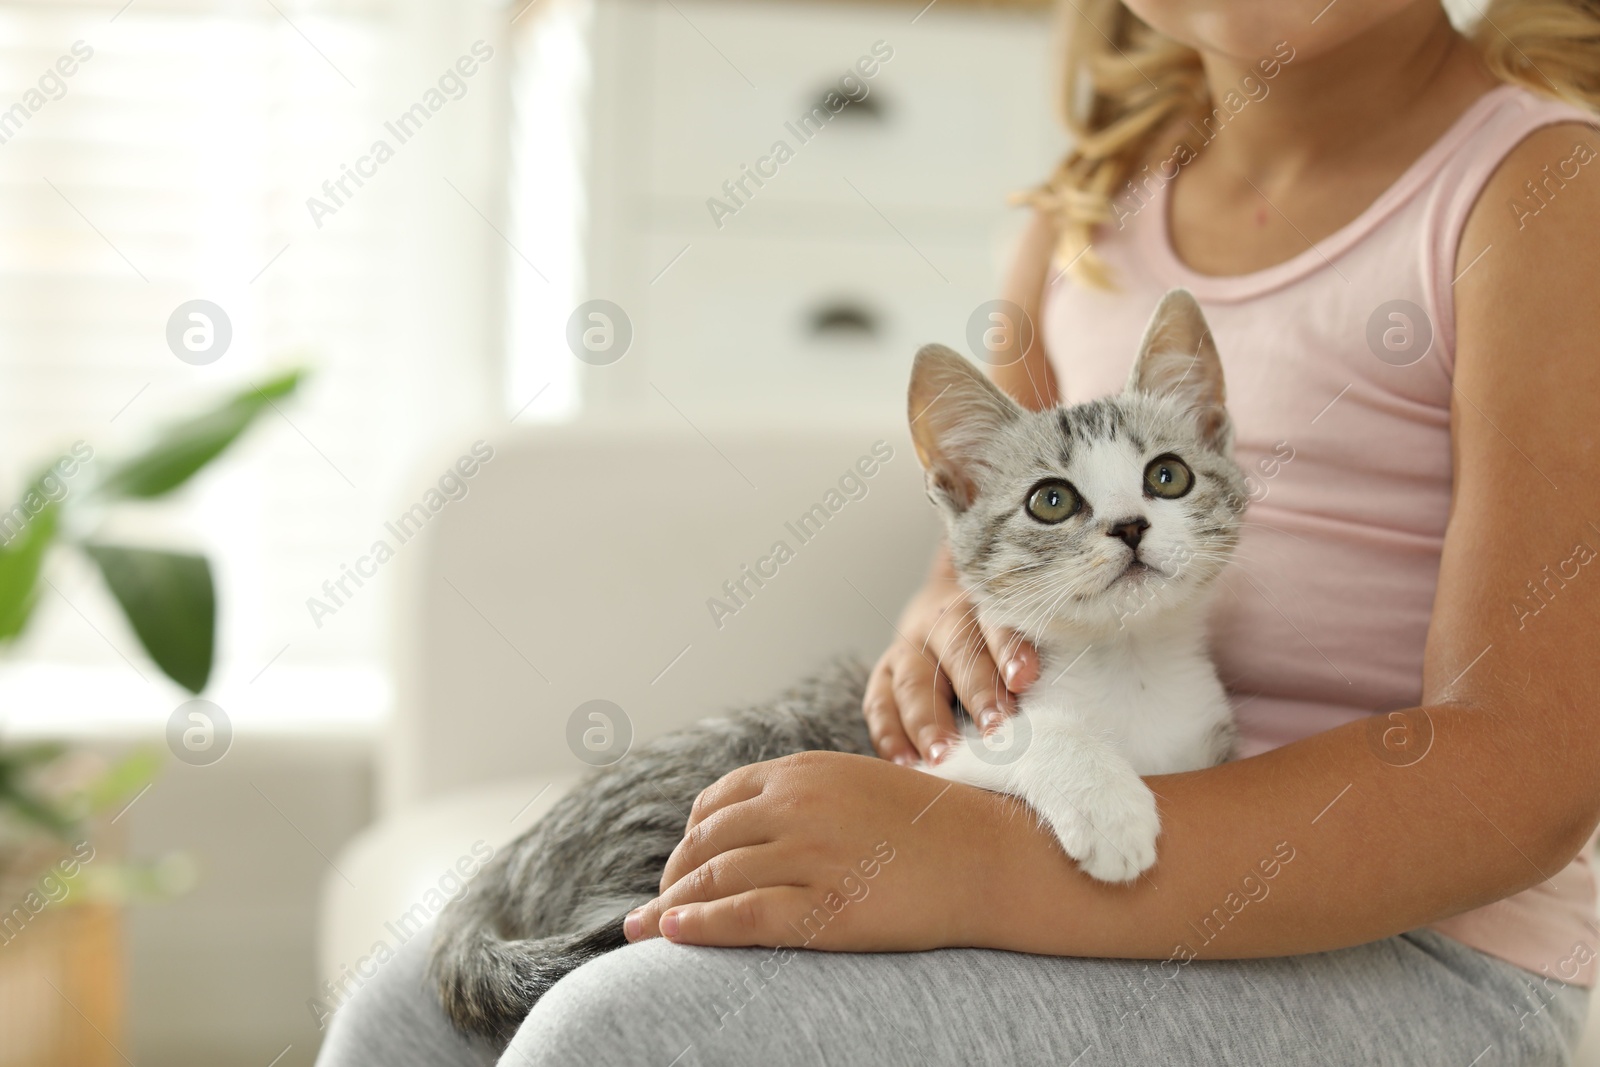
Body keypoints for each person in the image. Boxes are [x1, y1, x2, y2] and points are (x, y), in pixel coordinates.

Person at [317, 1, 1600, 1062]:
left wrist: (984, 867)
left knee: (631, 1033)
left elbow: (1524, 775)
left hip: (1426, 954)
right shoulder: (1085, 214)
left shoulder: (1544, 193)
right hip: (1076, 820)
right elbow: (968, 561)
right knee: (411, 1008)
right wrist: (940, 625)